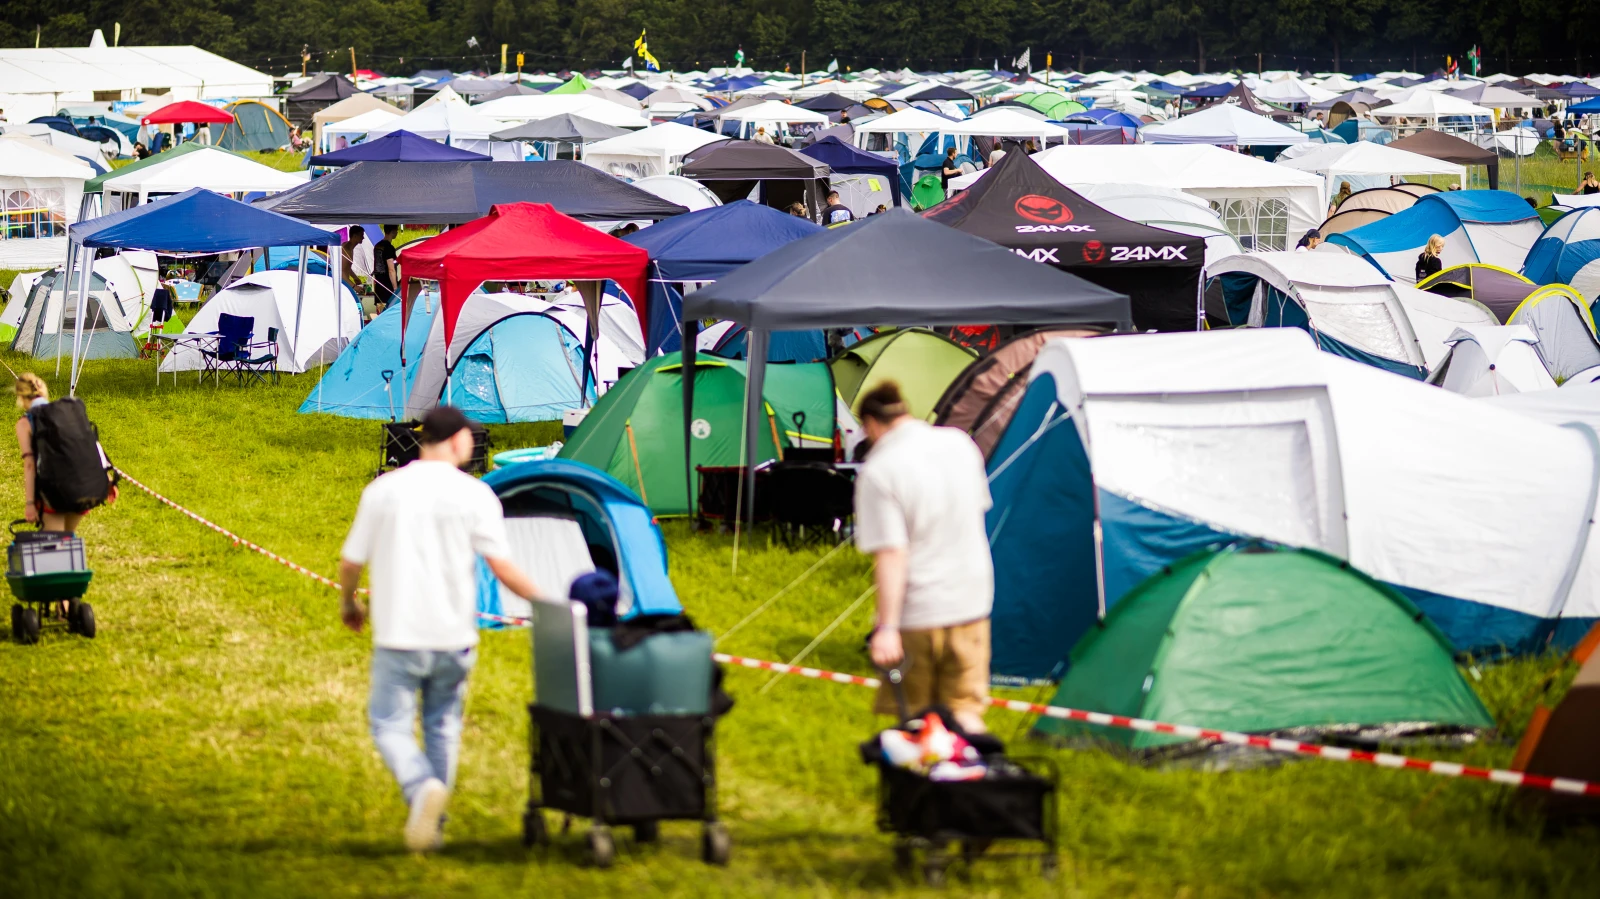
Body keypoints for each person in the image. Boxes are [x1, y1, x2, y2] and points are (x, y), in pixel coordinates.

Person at [339, 406, 542, 853]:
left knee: (388, 724)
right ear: (456, 440)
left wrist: (349, 602)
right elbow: (503, 568)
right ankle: (436, 823)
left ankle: (419, 788)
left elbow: (351, 561)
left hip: (399, 635)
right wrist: (548, 601)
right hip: (454, 638)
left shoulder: (384, 490)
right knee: (443, 727)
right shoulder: (477, 495)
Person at [855, 382, 995, 735]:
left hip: (921, 611)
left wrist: (886, 627)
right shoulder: (961, 444)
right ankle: (980, 765)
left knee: (918, 724)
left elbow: (891, 553)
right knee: (966, 713)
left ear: (870, 425)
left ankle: (928, 770)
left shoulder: (880, 469)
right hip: (973, 600)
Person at [15, 373, 117, 535]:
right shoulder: (70, 411)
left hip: (54, 491)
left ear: (21, 397)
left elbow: (29, 464)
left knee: (55, 543)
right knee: (68, 538)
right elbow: (92, 445)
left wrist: (30, 503)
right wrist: (108, 480)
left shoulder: (25, 422)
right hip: (84, 487)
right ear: (44, 391)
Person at [372, 224, 400, 312]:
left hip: (378, 284)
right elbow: (391, 269)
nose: (397, 232)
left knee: (380, 310)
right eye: (396, 230)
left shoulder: (377, 246)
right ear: (393, 231)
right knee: (389, 310)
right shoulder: (389, 248)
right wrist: (395, 289)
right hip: (387, 285)